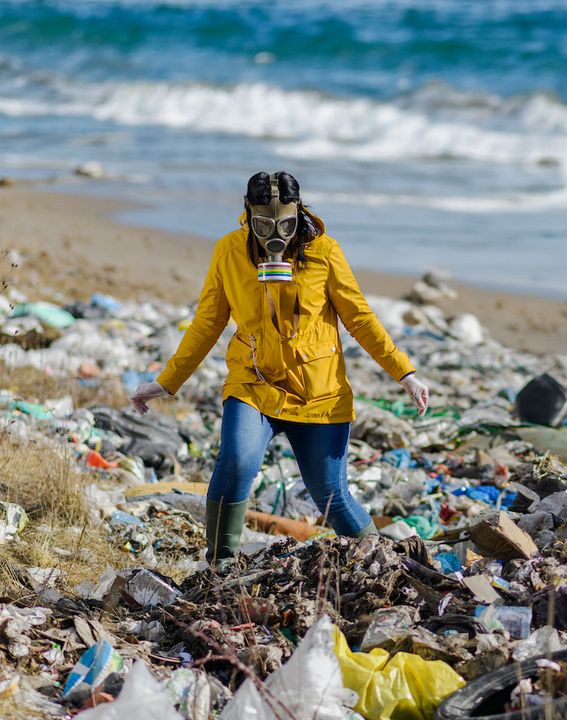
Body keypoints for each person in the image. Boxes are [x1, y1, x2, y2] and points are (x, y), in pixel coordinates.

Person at [129, 171, 429, 568]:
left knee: (330, 494)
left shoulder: (324, 252)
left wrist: (404, 373)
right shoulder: (229, 252)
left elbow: (360, 318)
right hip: (253, 382)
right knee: (237, 460)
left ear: (299, 214)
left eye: (286, 225)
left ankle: (384, 563)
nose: (277, 234)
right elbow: (207, 323)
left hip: (318, 392)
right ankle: (220, 565)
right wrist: (167, 383)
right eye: (265, 225)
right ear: (248, 216)